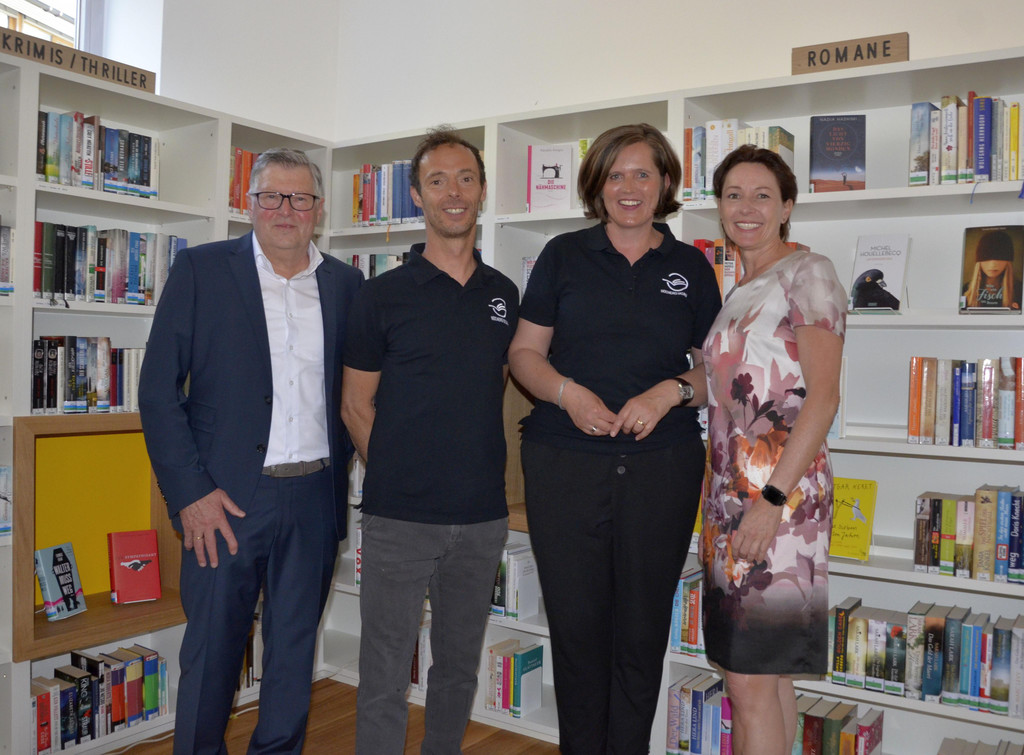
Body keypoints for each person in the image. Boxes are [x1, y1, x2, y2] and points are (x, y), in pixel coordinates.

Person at [138, 148, 363, 754]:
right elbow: (157, 393)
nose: (285, 209)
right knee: (212, 657)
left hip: (314, 499)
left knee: (293, 657)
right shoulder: (203, 270)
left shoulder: (346, 285)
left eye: (299, 198)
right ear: (250, 204)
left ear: (319, 208)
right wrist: (190, 494)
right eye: (271, 196)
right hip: (224, 502)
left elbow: (357, 390)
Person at [508, 123, 721, 753]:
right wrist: (567, 393)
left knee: (642, 634)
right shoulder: (562, 255)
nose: (629, 187)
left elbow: (716, 371)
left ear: (665, 183)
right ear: (597, 186)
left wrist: (669, 392)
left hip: (662, 467)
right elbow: (523, 354)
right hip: (565, 464)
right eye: (615, 174)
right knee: (577, 633)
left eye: (643, 173)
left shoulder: (690, 266)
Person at [341, 126, 519, 754]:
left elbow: (492, 387)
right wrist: (399, 476)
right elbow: (355, 405)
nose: (453, 192)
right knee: (384, 676)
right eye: (437, 181)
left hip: (482, 519)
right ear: (417, 195)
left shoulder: (504, 295)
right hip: (400, 519)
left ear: (482, 190)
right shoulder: (380, 296)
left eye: (465, 179)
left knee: (458, 670)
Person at [701, 144, 846, 755]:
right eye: (733, 195)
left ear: (787, 206)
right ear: (719, 207)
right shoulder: (741, 288)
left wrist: (771, 501)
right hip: (730, 503)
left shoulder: (808, 273)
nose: (746, 207)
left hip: (777, 498)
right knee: (767, 675)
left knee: (748, 681)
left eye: (763, 195)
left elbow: (823, 397)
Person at [962, 228, 1022, 310]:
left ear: (1008, 262)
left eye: (999, 258)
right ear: (979, 262)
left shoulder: (1020, 290)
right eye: (986, 258)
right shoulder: (965, 291)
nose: (993, 264)